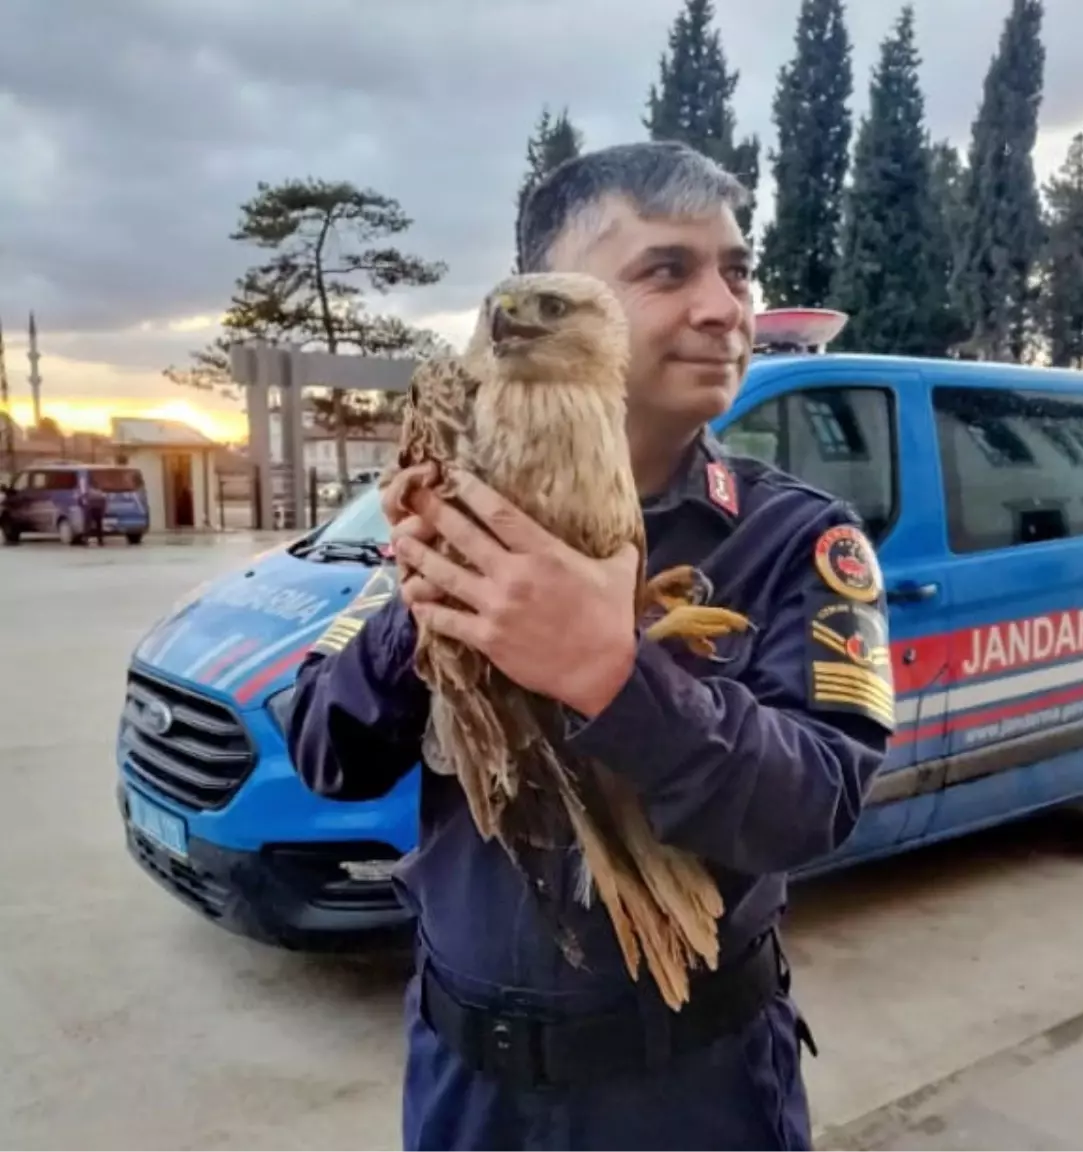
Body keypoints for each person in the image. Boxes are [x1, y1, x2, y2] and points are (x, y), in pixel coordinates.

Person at [287, 140, 894, 1152]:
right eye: (667, 270)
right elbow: (323, 749)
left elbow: (820, 802)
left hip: (694, 1097)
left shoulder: (798, 538)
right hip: (467, 1089)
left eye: (736, 270)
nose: (723, 307)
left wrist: (618, 677)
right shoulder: (455, 510)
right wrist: (435, 605)